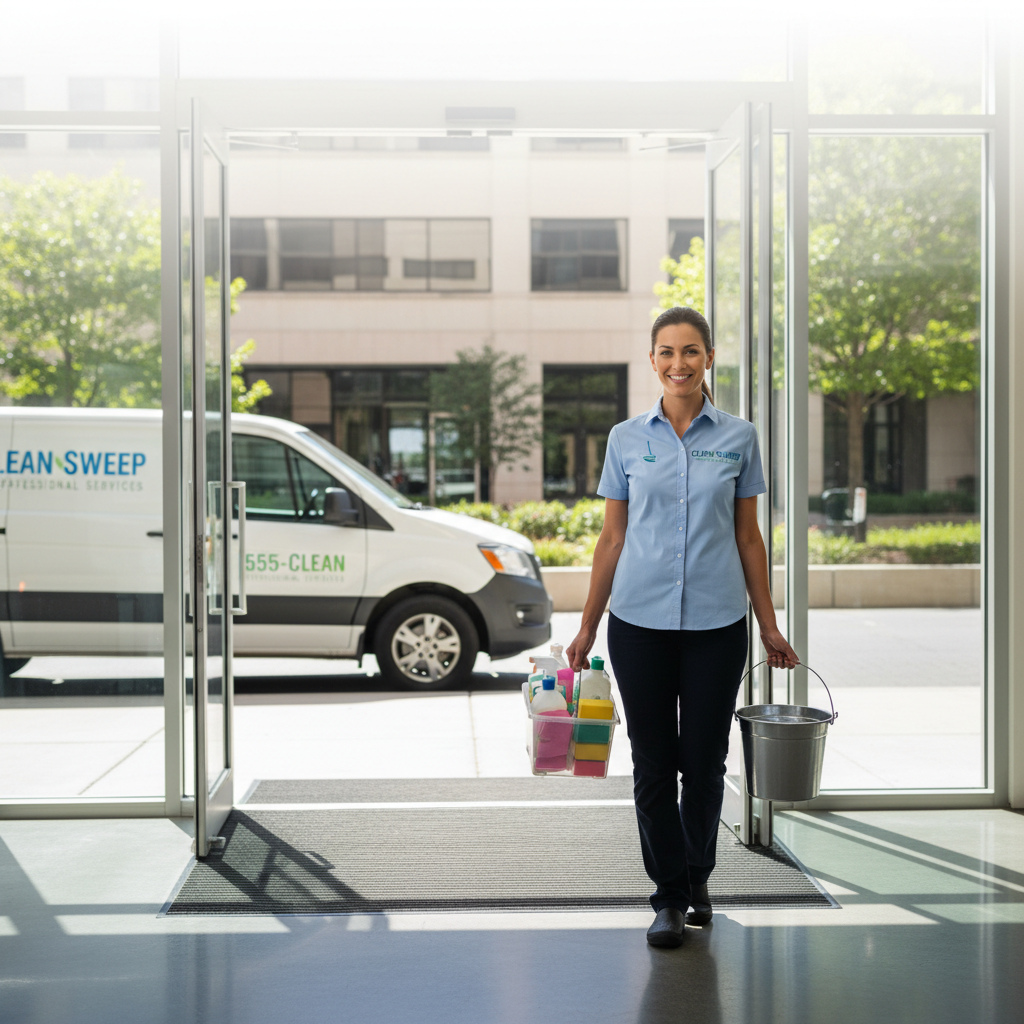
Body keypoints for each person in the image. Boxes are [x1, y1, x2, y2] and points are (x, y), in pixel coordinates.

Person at [566, 305, 799, 949]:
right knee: (652, 764)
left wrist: (769, 624)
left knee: (704, 762)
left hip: (717, 623)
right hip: (636, 622)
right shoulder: (624, 440)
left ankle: (699, 876)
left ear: (709, 358)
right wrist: (587, 626)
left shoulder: (739, 438)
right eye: (666, 352)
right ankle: (668, 894)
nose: (678, 363)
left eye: (690, 351)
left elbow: (748, 537)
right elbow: (611, 539)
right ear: (652, 362)